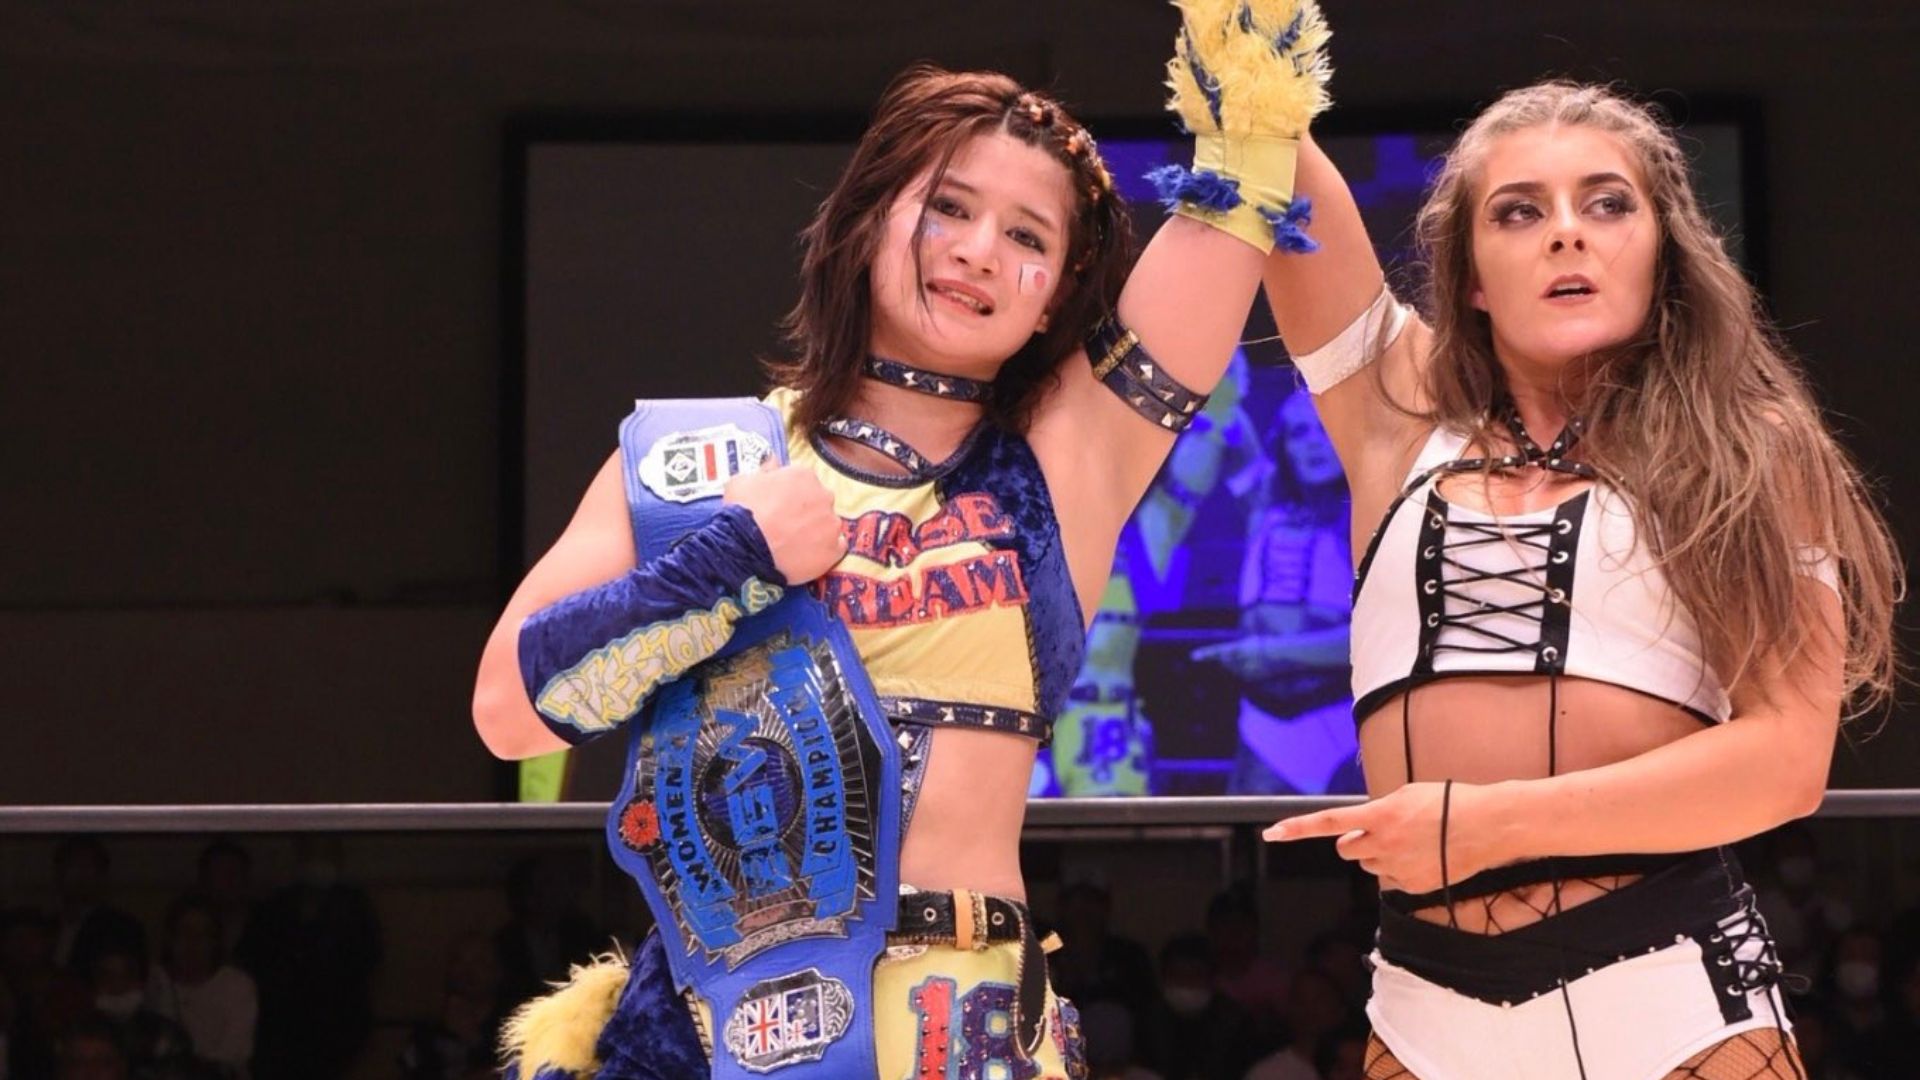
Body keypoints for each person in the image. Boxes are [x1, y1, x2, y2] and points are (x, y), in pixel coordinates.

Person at [471, 2, 1335, 1076]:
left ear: (1060, 290)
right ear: (874, 214)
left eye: (1028, 236)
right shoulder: (698, 460)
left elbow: (1235, 202)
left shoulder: (1070, 452)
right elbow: (507, 710)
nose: (980, 252)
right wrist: (733, 560)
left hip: (959, 1033)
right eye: (951, 208)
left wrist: (1243, 30)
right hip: (705, 1036)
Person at [1260, 81, 1902, 1079]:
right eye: (1519, 211)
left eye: (1607, 204)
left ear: (1662, 251)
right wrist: (1240, 40)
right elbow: (1262, 134)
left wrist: (1487, 825)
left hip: (1673, 999)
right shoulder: (1394, 418)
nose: (1567, 235)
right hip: (1426, 1011)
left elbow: (1788, 761)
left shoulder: (1752, 452)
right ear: (1472, 274)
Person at [1190, 381, 1358, 795]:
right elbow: (1226, 416)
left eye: (1326, 429)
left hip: (1340, 725)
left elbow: (1377, 641)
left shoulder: (1370, 518)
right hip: (1262, 728)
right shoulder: (1265, 509)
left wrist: (1268, 653)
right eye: (1300, 433)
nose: (1315, 444)